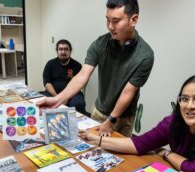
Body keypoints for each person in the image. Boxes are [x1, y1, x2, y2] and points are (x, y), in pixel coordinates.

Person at [37, 0, 154, 137]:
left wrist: (111, 120)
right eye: (107, 20)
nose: (110, 27)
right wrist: (57, 101)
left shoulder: (145, 55)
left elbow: (128, 92)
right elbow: (82, 76)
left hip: (123, 118)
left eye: (116, 21)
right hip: (99, 111)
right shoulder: (99, 44)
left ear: (133, 20)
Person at [42, 39, 86, 114]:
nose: (63, 52)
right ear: (57, 51)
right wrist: (58, 98)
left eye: (66, 49)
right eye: (60, 49)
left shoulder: (77, 65)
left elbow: (79, 84)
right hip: (53, 93)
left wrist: (66, 97)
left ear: (70, 51)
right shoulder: (50, 64)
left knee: (79, 104)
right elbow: (47, 83)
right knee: (42, 101)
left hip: (73, 94)